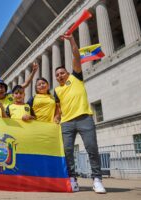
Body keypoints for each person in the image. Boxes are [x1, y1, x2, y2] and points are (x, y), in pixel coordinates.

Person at [54, 34, 106, 193]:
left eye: (62, 73)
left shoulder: (76, 77)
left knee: (92, 148)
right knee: (67, 151)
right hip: (67, 123)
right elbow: (58, 108)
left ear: (68, 73)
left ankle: (97, 179)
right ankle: (72, 179)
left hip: (84, 118)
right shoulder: (56, 90)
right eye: (57, 75)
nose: (59, 76)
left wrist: (71, 40)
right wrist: (56, 117)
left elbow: (76, 56)